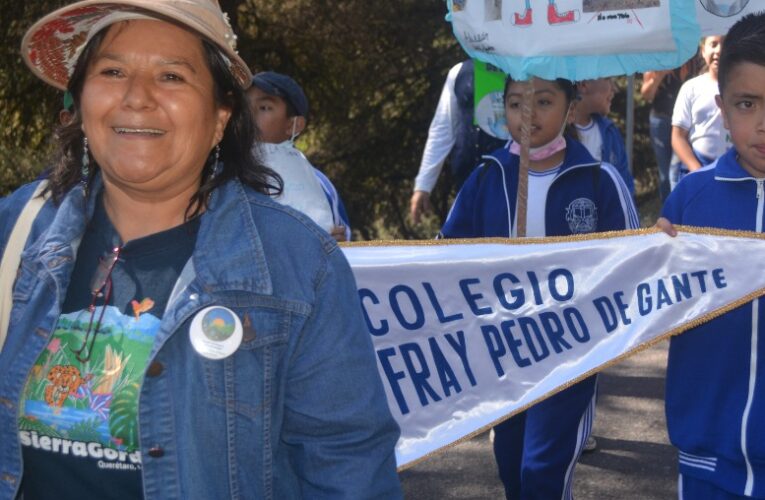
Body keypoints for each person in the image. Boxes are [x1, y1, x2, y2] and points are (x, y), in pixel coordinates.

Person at [0, 1, 402, 499]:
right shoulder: (16, 232)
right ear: (80, 103)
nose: (137, 97)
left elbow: (347, 465)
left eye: (171, 76)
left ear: (220, 116)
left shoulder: (300, 265)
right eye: (112, 70)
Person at [440, 75, 638, 499]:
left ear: (570, 110)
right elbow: (447, 255)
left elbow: (633, 259)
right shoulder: (487, 176)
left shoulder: (598, 180)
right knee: (511, 466)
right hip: (502, 351)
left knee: (542, 470)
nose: (527, 115)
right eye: (515, 103)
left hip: (570, 353)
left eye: (543, 102)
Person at [657, 12, 765, 499]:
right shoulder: (691, 200)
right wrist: (650, 264)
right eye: (748, 103)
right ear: (722, 108)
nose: (763, 124)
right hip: (706, 459)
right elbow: (654, 314)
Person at [247, 71, 351, 241]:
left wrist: (338, 242)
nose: (248, 116)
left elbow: (344, 240)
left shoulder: (320, 185)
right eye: (243, 107)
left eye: (264, 108)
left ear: (294, 125)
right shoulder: (217, 171)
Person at [410, 59, 508, 224]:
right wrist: (423, 185)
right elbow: (443, 129)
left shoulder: (524, 68)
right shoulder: (459, 72)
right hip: (466, 184)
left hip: (510, 183)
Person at [671, 35, 731, 188]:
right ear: (703, 51)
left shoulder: (744, 88)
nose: (718, 50)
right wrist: (697, 170)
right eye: (713, 44)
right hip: (698, 166)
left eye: (724, 44)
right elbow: (678, 137)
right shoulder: (691, 88)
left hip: (733, 169)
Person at [640, 56, 700, 202]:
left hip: (684, 124)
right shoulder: (656, 59)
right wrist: (659, 75)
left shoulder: (692, 59)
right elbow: (646, 95)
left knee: (677, 168)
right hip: (661, 120)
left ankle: (680, 209)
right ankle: (668, 211)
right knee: (665, 173)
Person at [573, 77, 636, 196]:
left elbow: (625, 186)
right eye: (608, 79)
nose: (615, 89)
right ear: (583, 85)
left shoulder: (611, 132)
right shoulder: (558, 136)